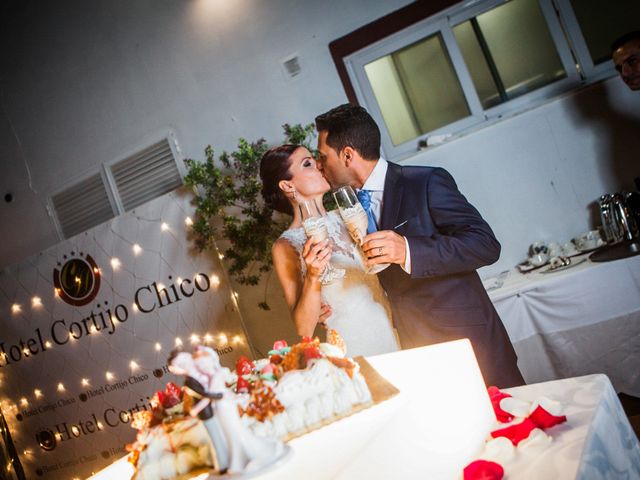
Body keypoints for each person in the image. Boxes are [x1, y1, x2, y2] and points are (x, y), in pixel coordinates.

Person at [314, 104, 524, 388]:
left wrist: (408, 250)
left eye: (323, 157)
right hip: (418, 351)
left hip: (470, 341)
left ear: (348, 155)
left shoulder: (424, 182)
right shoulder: (346, 210)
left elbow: (485, 244)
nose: (319, 165)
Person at [259, 144, 399, 356]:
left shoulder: (349, 214)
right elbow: (303, 328)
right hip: (354, 347)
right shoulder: (287, 245)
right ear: (288, 186)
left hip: (392, 329)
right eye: (307, 164)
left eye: (314, 160)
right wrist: (313, 277)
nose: (318, 165)